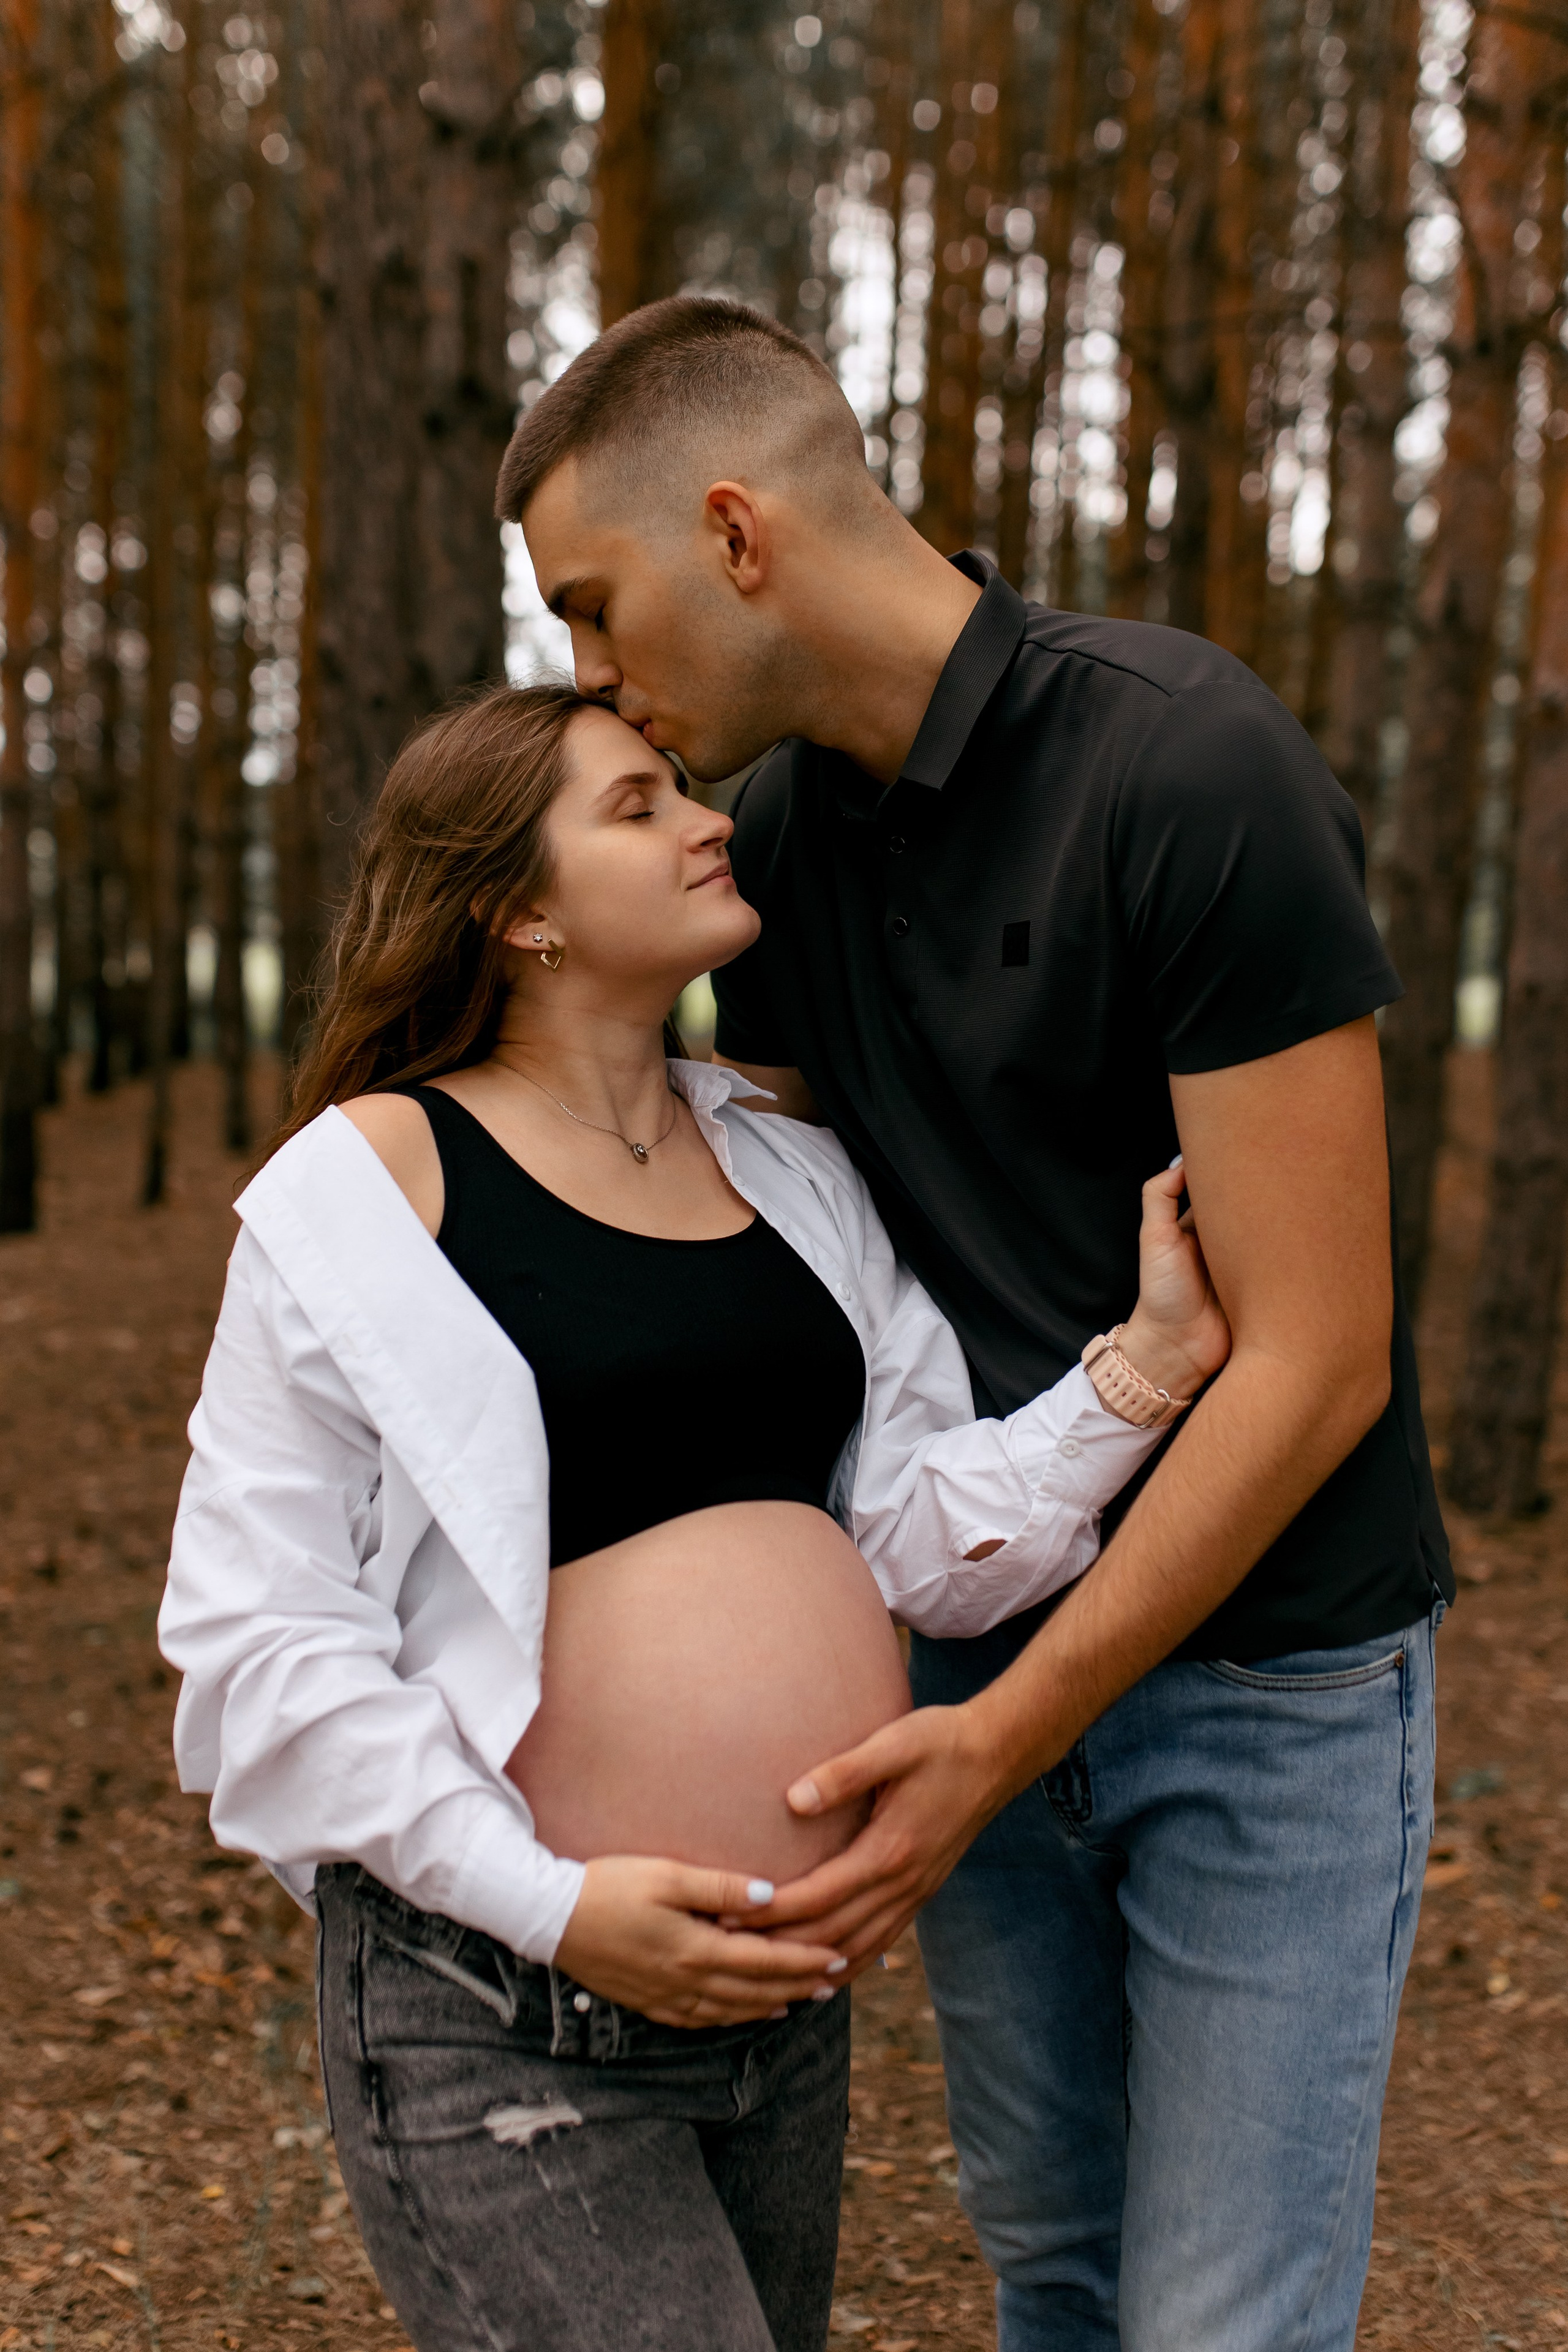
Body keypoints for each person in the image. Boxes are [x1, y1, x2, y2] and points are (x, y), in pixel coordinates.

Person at [497, 293, 1455, 2351]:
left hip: (1269, 1686)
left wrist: (997, 1743)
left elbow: (1320, 1358)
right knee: (1062, 2286)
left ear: (737, 536)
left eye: (597, 603)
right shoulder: (756, 866)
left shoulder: (1187, 766)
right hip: (970, 1662)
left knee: (1220, 2326)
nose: (595, 676)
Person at [159, 680, 1230, 2352]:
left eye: (685, 791)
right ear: (517, 909)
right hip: (497, 1999)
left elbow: (921, 1542)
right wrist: (554, 1907)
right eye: (637, 804)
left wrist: (1144, 1372)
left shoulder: (785, 1165)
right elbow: (257, 1649)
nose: (708, 819)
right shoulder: (363, 1186)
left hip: (778, 2000)